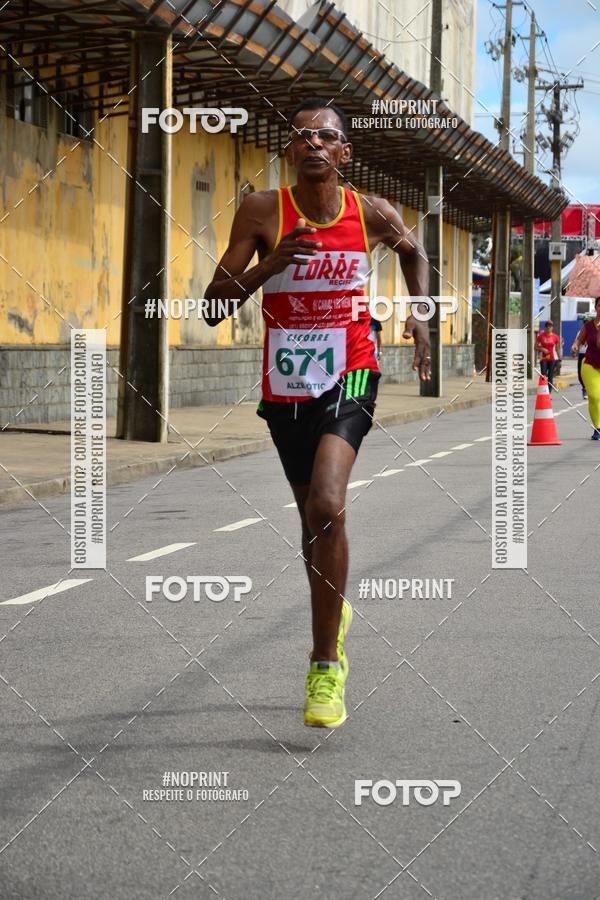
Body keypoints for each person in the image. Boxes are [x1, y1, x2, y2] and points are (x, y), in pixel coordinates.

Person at [204, 97, 430, 728]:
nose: (311, 144)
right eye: (300, 136)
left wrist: (420, 316)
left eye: (324, 137)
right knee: (313, 522)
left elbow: (414, 253)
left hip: (352, 368)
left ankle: (325, 665)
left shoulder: (372, 213)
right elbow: (212, 305)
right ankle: (334, 604)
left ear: (343, 152)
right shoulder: (261, 211)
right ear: (290, 150)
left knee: (328, 504)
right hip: (285, 386)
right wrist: (268, 266)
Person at [571, 297, 600, 439]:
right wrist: (575, 345)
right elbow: (579, 340)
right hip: (590, 364)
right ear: (596, 308)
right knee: (594, 396)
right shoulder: (588, 326)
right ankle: (598, 428)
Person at [535, 320, 561, 392]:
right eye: (547, 327)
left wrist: (559, 359)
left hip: (552, 359)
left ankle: (549, 392)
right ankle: (543, 390)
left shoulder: (555, 337)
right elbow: (535, 347)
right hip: (543, 358)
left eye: (550, 327)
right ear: (545, 327)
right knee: (543, 374)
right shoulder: (540, 336)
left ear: (552, 328)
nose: (548, 328)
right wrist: (542, 349)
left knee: (550, 376)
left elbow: (557, 349)